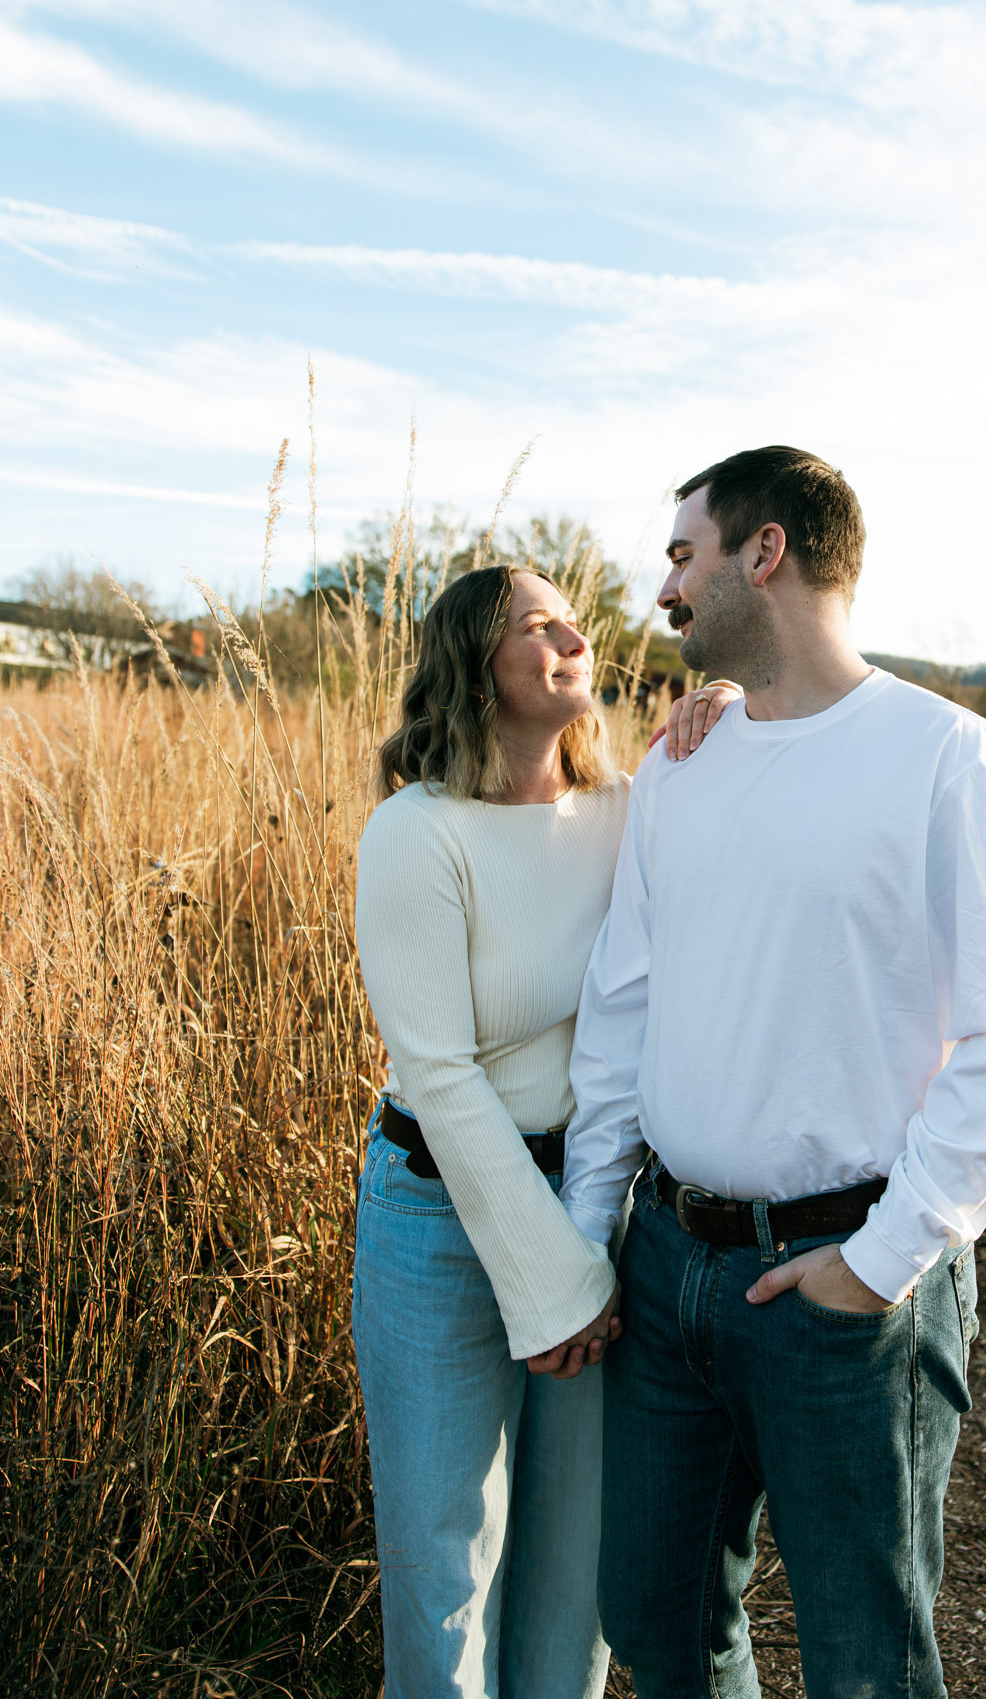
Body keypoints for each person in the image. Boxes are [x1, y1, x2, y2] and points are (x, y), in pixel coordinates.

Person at [541, 446, 986, 1699]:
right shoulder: (682, 765)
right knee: (659, 1619)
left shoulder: (953, 760)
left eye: (685, 554)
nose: (665, 588)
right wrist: (590, 1226)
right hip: (667, 1262)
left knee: (863, 1658)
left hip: (846, 1281)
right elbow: (622, 1005)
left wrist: (881, 1261)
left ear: (765, 551)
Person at [351, 562, 735, 1699]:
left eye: (573, 618)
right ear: (477, 667)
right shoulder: (416, 832)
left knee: (577, 1560)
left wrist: (726, 706)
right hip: (439, 1212)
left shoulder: (629, 811)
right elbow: (440, 1074)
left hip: (594, 1203)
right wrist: (556, 1282)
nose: (574, 636)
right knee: (446, 1557)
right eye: (537, 623)